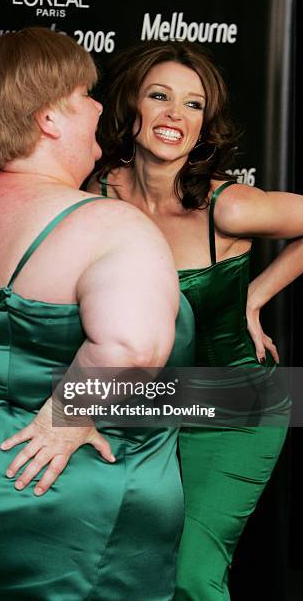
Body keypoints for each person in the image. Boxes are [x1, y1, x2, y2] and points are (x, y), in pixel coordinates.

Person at [0, 29, 195, 600]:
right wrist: (66, 416)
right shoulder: (107, 225)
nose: (102, 107)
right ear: (49, 119)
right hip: (60, 503)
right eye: (86, 94)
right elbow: (132, 349)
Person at [88, 40, 303, 600]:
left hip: (234, 402)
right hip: (142, 399)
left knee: (190, 576)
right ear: (128, 105)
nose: (174, 117)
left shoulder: (225, 206)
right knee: (107, 565)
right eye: (159, 96)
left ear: (205, 123)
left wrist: (253, 295)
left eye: (193, 105)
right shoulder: (95, 192)